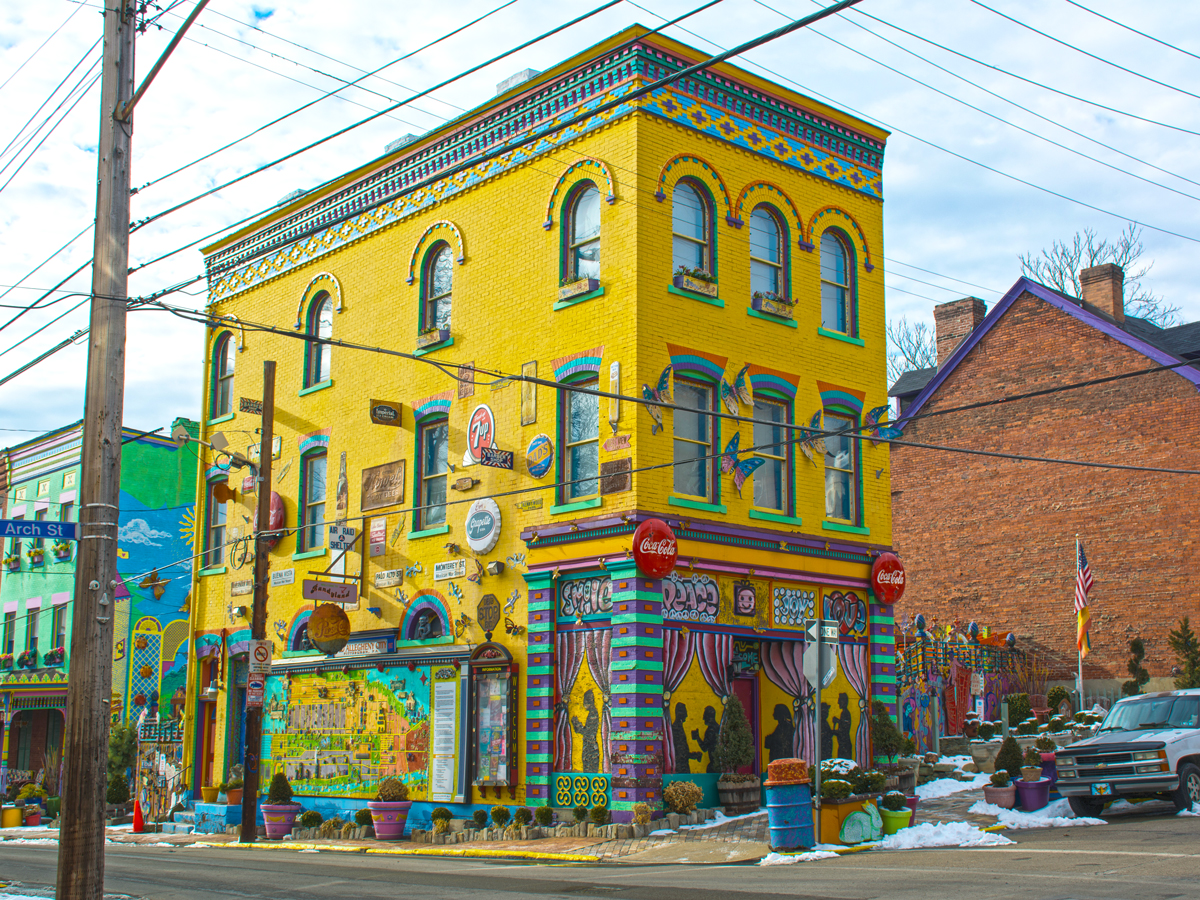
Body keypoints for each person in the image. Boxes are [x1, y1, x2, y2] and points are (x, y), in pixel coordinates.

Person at [571, 690, 601, 773]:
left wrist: (577, 725)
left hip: (590, 749)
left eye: (585, 701)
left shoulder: (593, 714)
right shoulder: (592, 713)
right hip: (589, 748)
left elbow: (588, 732)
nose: (583, 704)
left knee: (590, 773)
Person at [671, 703, 702, 773]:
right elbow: (682, 753)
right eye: (685, 712)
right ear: (680, 713)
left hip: (681, 765)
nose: (686, 715)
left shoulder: (678, 727)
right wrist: (694, 755)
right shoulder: (677, 728)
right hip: (681, 768)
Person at [692, 705, 720, 773]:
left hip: (714, 764)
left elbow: (704, 748)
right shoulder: (718, 727)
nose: (703, 718)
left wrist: (697, 737)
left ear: (709, 717)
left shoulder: (711, 730)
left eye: (705, 716)